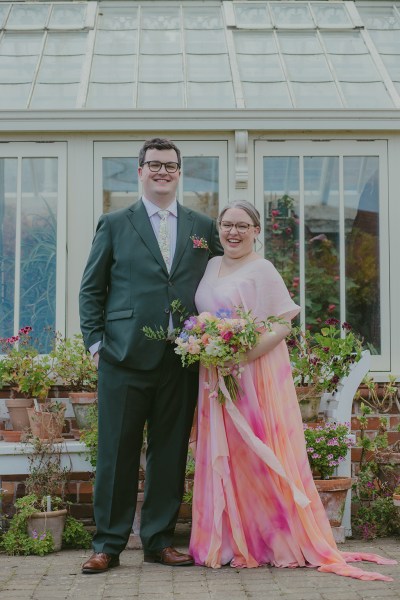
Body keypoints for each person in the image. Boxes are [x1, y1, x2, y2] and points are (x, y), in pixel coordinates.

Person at [189, 200, 395, 580]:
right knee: (227, 452)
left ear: (256, 231)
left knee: (258, 448)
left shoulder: (262, 269)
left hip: (252, 372)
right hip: (215, 374)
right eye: (226, 225)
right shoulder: (211, 265)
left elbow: (282, 324)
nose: (233, 232)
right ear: (218, 229)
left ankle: (273, 539)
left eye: (242, 225)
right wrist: (205, 344)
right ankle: (233, 539)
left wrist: (241, 354)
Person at [79, 138, 222, 573]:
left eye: (171, 165)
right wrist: (97, 345)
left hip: (180, 359)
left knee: (170, 451)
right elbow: (92, 289)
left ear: (181, 172)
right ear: (140, 170)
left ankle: (160, 540)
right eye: (154, 164)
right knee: (116, 453)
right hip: (122, 358)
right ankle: (108, 544)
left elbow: (216, 281)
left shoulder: (202, 225)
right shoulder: (115, 222)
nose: (163, 171)